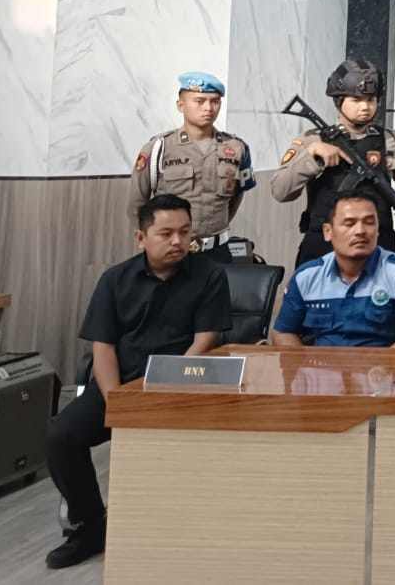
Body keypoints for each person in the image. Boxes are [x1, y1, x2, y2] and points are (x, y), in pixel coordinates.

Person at [44, 195, 230, 570]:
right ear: (141, 237)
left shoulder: (209, 275)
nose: (178, 241)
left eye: (185, 232)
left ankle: (181, 529)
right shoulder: (115, 279)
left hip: (180, 385)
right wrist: (117, 402)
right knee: (61, 435)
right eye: (166, 233)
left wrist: (167, 387)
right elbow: (103, 346)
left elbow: (205, 340)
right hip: (120, 385)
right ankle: (90, 525)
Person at [269, 59, 395, 268]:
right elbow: (280, 191)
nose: (365, 107)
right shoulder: (313, 140)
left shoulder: (391, 140)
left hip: (377, 245)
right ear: (339, 100)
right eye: (356, 99)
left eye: (371, 99)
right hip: (324, 247)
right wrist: (313, 156)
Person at [270, 185, 395, 348]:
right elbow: (283, 332)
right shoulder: (306, 277)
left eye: (369, 222)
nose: (360, 231)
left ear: (378, 230)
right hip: (320, 364)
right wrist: (304, 363)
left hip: (380, 364)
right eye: (349, 223)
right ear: (328, 231)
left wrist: (382, 363)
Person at [128, 71, 254, 261]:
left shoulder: (236, 148)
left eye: (215, 101)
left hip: (218, 252)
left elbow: (236, 197)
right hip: (170, 251)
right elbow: (136, 203)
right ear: (181, 105)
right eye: (199, 101)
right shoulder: (159, 148)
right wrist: (153, 244)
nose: (208, 108)